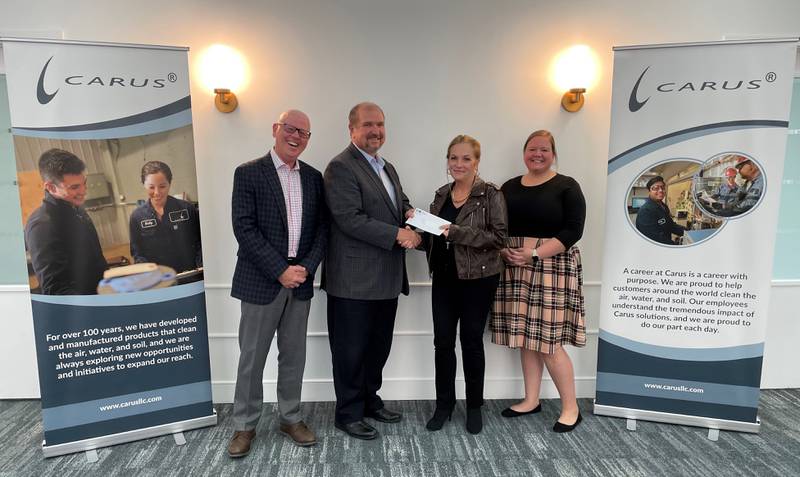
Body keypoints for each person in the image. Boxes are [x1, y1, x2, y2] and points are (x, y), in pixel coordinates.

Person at [227, 110, 328, 457]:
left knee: (294, 356)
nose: (297, 136)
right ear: (276, 129)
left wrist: (304, 268)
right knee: (252, 359)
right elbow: (244, 228)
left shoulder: (314, 178)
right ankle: (244, 425)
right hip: (260, 281)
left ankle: (290, 417)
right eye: (291, 128)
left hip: (300, 282)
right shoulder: (249, 173)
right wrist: (279, 270)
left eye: (304, 132)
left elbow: (321, 231)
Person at [322, 102, 420, 440]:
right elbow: (349, 219)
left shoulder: (386, 166)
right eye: (367, 125)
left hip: (386, 278)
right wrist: (398, 234)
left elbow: (400, 204)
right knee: (350, 350)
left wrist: (412, 217)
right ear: (351, 129)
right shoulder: (341, 166)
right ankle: (347, 413)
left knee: (378, 347)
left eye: (380, 124)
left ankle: (369, 401)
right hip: (352, 281)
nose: (375, 130)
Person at [490, 130, 586, 433]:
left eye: (544, 149)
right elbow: (498, 225)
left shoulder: (567, 186)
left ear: (553, 154)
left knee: (548, 342)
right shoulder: (508, 187)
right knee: (525, 339)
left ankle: (571, 407)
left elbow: (573, 231)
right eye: (532, 149)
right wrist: (504, 247)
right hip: (514, 266)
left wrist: (534, 253)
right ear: (524, 153)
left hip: (550, 265)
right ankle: (531, 399)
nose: (538, 154)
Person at [418, 135, 506, 434]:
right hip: (444, 278)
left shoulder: (491, 194)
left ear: (477, 161)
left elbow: (498, 239)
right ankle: (444, 405)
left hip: (478, 280)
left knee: (470, 342)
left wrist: (455, 232)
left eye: (466, 158)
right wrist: (415, 233)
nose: (459, 163)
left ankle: (474, 406)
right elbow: (436, 236)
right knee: (442, 343)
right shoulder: (441, 194)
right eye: (453, 157)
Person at [25, 148, 107, 295]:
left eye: (84, 183)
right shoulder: (42, 226)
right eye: (74, 187)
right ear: (51, 187)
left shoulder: (77, 210)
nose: (83, 191)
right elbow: (55, 290)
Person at [129, 161, 202, 273]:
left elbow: (200, 243)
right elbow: (137, 253)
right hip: (159, 280)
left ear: (170, 183)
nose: (157, 192)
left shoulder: (187, 209)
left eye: (162, 186)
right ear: (143, 184)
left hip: (190, 275)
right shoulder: (137, 217)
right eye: (151, 187)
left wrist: (199, 267)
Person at [635, 176, 685, 245]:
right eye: (656, 188)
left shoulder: (663, 206)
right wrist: (675, 246)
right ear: (649, 191)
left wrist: (687, 232)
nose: (661, 190)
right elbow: (654, 238)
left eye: (662, 187)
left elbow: (670, 225)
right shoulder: (645, 211)